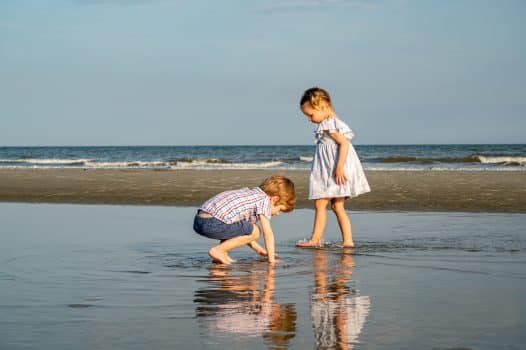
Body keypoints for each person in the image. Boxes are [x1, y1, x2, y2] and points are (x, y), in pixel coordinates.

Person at [297, 87, 370, 248]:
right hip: (332, 168)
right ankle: (348, 241)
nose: (310, 119)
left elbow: (344, 144)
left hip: (335, 170)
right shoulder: (328, 122)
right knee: (337, 206)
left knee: (321, 204)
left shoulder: (330, 124)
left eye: (310, 114)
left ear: (322, 106)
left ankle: (316, 239)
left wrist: (339, 168)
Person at [193, 175, 296, 264]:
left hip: (199, 221)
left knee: (240, 227)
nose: (277, 213)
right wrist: (271, 260)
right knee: (256, 230)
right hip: (213, 222)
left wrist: (259, 250)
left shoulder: (252, 193)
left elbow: (244, 234)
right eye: (279, 209)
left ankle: (219, 258)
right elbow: (267, 233)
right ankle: (218, 250)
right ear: (275, 199)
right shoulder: (264, 201)